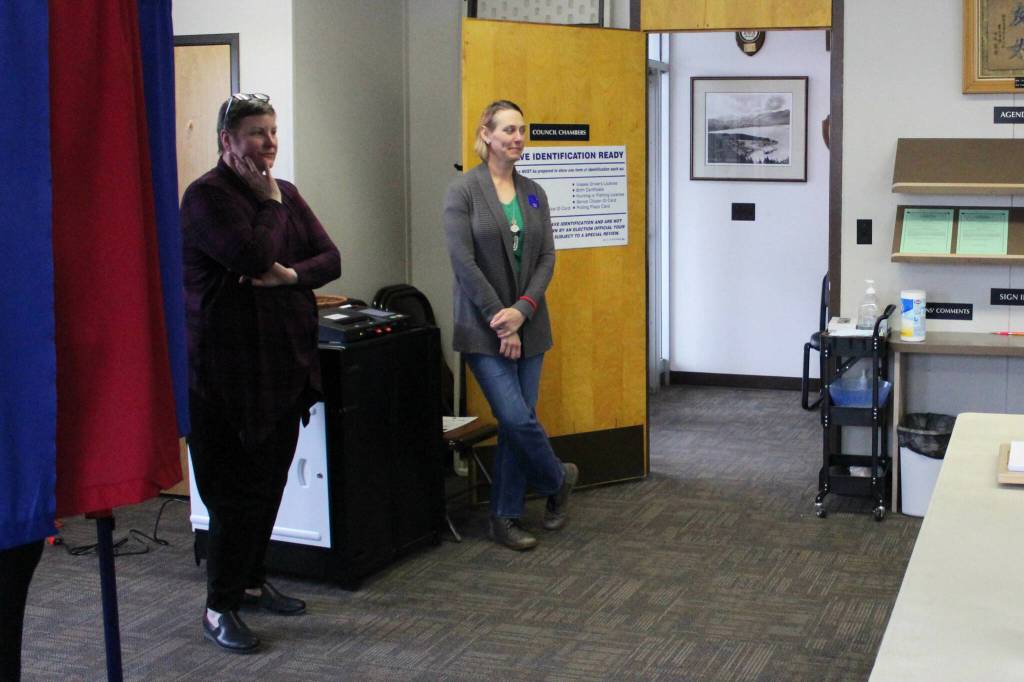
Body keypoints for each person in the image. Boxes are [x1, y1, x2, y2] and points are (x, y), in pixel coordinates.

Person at [180, 93, 340, 653]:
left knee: (269, 485)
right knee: (232, 497)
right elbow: (250, 255)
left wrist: (290, 275)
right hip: (224, 377)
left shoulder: (287, 192)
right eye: (255, 133)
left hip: (282, 368)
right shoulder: (206, 198)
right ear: (227, 141)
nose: (269, 142)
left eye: (273, 131)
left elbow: (331, 258)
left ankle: (248, 581)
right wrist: (271, 209)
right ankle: (217, 607)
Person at [442, 100, 578, 552]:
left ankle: (504, 516)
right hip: (484, 328)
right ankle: (558, 479)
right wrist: (503, 322)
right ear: (486, 134)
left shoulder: (534, 191)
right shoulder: (463, 191)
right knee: (515, 417)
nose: (518, 138)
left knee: (518, 423)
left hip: (530, 323)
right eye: (508, 130)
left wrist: (522, 310)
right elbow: (463, 262)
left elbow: (546, 257)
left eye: (523, 130)